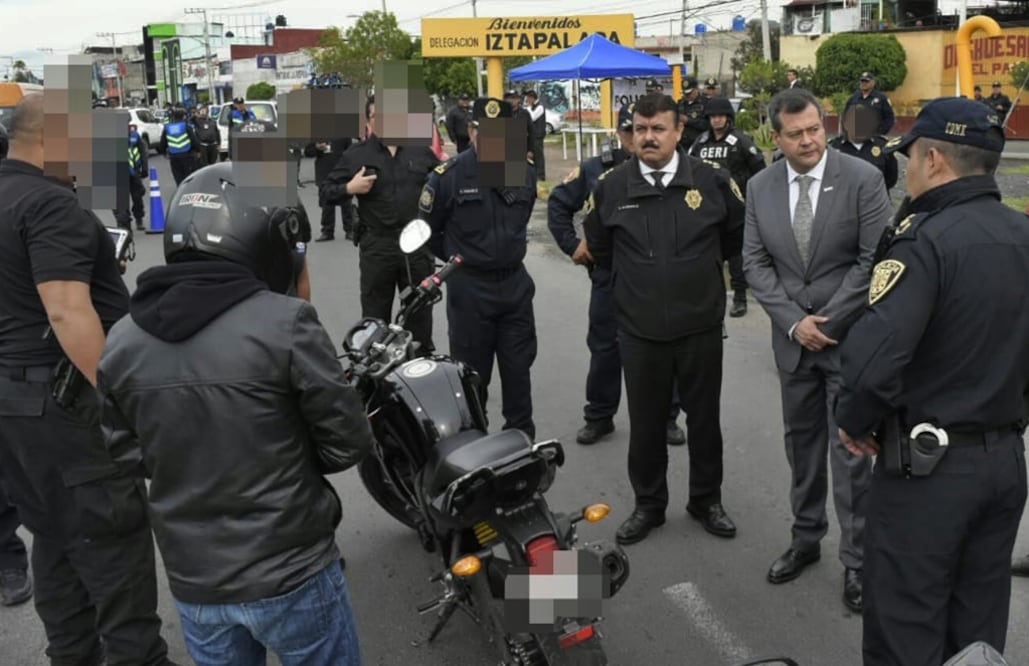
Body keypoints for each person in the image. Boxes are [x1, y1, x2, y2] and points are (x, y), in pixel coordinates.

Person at [97, 162, 372, 665]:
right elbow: (347, 443)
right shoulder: (285, 322)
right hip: (292, 569)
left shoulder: (121, 340)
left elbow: (128, 453)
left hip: (197, 580)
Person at [835, 96, 1029, 666]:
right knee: (977, 629)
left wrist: (853, 420)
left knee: (905, 626)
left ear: (935, 160)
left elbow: (874, 361)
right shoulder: (1023, 233)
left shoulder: (924, 239)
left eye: (912, 159)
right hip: (1004, 465)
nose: (908, 171)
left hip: (930, 473)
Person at [0, 93, 176, 665]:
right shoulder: (50, 206)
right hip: (66, 403)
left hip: (15, 405)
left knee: (51, 535)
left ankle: (72, 654)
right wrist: (118, 401)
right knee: (111, 534)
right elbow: (66, 311)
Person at [742, 88, 890, 613]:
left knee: (851, 455)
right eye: (796, 133)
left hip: (848, 342)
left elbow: (876, 258)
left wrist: (828, 320)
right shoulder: (759, 186)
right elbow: (755, 263)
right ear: (775, 137)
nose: (808, 140)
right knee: (800, 448)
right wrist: (792, 323)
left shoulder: (863, 179)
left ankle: (857, 562)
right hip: (794, 346)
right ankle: (805, 539)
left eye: (814, 129)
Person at [584, 92, 745, 546]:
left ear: (678, 132)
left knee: (705, 421)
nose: (648, 137)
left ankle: (705, 500)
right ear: (632, 133)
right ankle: (649, 506)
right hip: (640, 331)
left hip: (701, 328)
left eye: (658, 129)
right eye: (640, 128)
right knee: (647, 423)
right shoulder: (612, 186)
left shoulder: (713, 181)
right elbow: (600, 247)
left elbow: (735, 237)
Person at [547, 105, 686, 446]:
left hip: (657, 279)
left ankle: (667, 418)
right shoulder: (598, 169)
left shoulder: (671, 167)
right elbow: (558, 205)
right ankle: (599, 416)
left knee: (663, 349)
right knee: (606, 349)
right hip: (610, 276)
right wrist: (572, 245)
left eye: (641, 130)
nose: (635, 139)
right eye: (629, 131)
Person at [418, 97, 539, 438]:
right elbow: (428, 231)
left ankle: (521, 440)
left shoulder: (524, 173)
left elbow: (520, 221)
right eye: (483, 131)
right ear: (471, 131)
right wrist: (459, 257)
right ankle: (474, 443)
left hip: (514, 287)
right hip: (470, 290)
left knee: (519, 371)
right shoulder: (447, 177)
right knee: (472, 376)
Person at [321, 96, 440, 351]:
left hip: (416, 247)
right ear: (370, 121)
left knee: (419, 317)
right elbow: (326, 191)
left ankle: (418, 372)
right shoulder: (356, 154)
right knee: (376, 322)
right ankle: (379, 383)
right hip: (378, 246)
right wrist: (349, 187)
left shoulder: (420, 150)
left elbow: (443, 187)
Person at [689, 96, 767, 317]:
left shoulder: (740, 141)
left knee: (736, 256)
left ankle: (740, 297)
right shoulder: (701, 142)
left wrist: (753, 202)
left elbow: (760, 172)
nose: (716, 120)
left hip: (736, 209)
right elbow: (688, 168)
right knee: (706, 254)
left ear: (728, 118)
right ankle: (708, 298)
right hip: (706, 209)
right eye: (712, 116)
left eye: (720, 116)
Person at [829, 104, 898, 193]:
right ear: (846, 124)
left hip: (875, 201)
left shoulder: (883, 147)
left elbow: (891, 179)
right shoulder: (833, 148)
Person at [305, 137, 355, 242]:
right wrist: (316, 148)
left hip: (341, 171)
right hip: (324, 173)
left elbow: (351, 152)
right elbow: (307, 152)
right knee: (327, 204)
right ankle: (327, 231)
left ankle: (350, 230)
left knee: (346, 202)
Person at [113, 121, 149, 232]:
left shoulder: (134, 136)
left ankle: (138, 218)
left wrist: (144, 168)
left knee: (137, 197)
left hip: (133, 173)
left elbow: (143, 151)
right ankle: (124, 223)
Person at [844, 71, 896, 136]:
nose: (863, 83)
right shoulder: (853, 98)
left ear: (873, 83)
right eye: (862, 81)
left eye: (866, 81)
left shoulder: (881, 98)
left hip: (874, 137)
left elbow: (889, 118)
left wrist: (880, 133)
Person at [160, 106, 199, 186]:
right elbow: (194, 140)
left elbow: (163, 142)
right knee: (188, 177)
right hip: (187, 155)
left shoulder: (167, 127)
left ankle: (180, 191)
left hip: (174, 156)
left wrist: (164, 152)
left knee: (178, 177)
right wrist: (198, 151)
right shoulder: (186, 126)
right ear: (183, 116)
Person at [678, 77, 709, 149]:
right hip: (682, 144)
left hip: (699, 144)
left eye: (689, 93)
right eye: (684, 93)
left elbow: (708, 125)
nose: (686, 96)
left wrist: (688, 121)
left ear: (696, 89)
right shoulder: (680, 104)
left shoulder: (705, 103)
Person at [505, 89, 535, 161]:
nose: (511, 100)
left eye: (513, 98)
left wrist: (530, 150)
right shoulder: (503, 113)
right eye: (508, 98)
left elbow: (531, 132)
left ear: (518, 99)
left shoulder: (524, 113)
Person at [525, 90, 547, 180]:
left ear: (533, 98)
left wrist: (528, 108)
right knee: (532, 155)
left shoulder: (540, 107)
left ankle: (541, 175)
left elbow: (532, 117)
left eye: (528, 99)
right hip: (532, 135)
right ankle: (534, 175)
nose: (527, 101)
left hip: (538, 135)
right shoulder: (532, 107)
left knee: (538, 156)